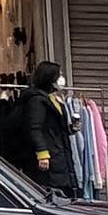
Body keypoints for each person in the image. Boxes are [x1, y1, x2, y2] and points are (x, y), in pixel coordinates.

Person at [20, 61, 76, 195]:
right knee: (52, 191)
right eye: (59, 75)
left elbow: (53, 127)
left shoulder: (53, 99)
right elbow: (34, 127)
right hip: (50, 157)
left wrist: (70, 129)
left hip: (58, 153)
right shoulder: (37, 101)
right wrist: (42, 153)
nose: (61, 78)